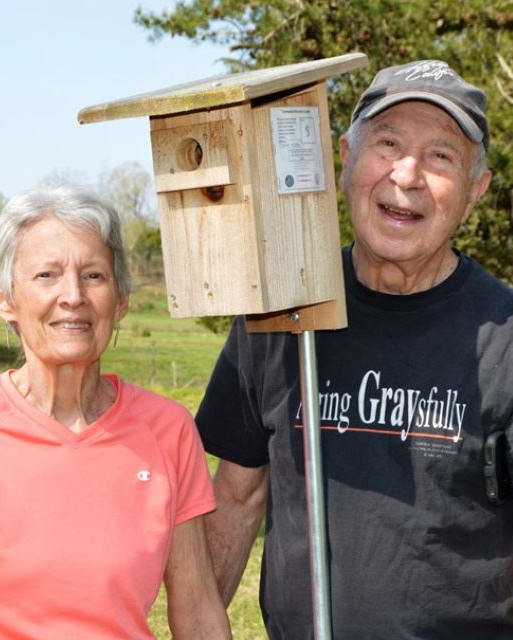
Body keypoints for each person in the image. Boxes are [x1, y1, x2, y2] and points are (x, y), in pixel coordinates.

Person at [196, 59, 513, 639]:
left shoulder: (505, 335)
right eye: (387, 144)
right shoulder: (282, 313)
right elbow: (237, 495)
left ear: (475, 191)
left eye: (441, 156)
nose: (407, 174)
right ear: (344, 159)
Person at [0, 185, 231, 639]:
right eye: (47, 275)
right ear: (4, 297)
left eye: (94, 276)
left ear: (121, 300)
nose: (73, 295)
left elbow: (197, 610)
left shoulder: (168, 429)